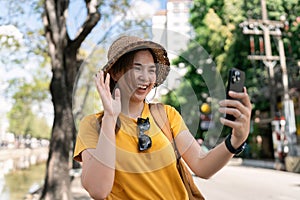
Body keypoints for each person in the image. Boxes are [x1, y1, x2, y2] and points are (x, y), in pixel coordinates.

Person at [73, 35, 252, 200]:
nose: (146, 77)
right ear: (115, 72)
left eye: (151, 70)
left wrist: (236, 140)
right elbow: (98, 190)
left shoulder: (167, 115)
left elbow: (202, 166)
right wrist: (110, 119)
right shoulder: (93, 125)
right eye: (137, 68)